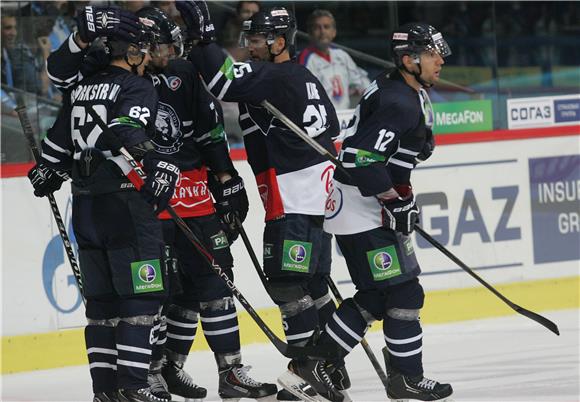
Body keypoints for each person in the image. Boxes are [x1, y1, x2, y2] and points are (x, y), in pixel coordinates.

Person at [46, 5, 277, 401]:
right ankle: (150, 374)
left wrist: (227, 179)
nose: (170, 53)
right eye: (164, 46)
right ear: (141, 45)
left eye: (173, 45)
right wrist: (82, 36)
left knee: (209, 282)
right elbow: (63, 79)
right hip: (138, 193)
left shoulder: (183, 73)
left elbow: (209, 132)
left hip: (187, 191)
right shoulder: (106, 73)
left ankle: (227, 371)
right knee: (153, 291)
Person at [175, 2, 347, 401]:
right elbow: (333, 135)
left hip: (294, 200)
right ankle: (330, 366)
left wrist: (203, 37)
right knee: (314, 284)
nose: (250, 47)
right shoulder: (302, 76)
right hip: (317, 200)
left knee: (288, 284)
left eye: (256, 40)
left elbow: (221, 82)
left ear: (279, 42)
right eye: (248, 39)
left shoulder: (274, 75)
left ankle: (309, 370)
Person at [27, 9, 181, 402]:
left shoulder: (82, 86)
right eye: (143, 51)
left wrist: (47, 169)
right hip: (125, 203)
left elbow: (58, 143)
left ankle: (105, 393)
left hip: (85, 205)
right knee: (142, 297)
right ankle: (133, 386)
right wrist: (159, 165)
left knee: (101, 306)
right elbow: (125, 132)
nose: (147, 58)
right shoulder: (137, 87)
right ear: (130, 52)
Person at [320, 23, 454, 401]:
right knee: (405, 292)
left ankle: (316, 363)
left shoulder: (403, 87)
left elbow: (387, 150)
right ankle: (403, 376)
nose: (440, 60)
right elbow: (359, 159)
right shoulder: (399, 100)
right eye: (432, 54)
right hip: (361, 208)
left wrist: (399, 191)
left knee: (381, 296)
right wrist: (396, 199)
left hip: (362, 205)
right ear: (410, 59)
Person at [299, 10, 370, 111]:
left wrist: (358, 88)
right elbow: (304, 95)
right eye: (317, 28)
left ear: (334, 32)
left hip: (345, 117)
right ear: (310, 33)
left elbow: (361, 80)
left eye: (326, 27)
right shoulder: (305, 59)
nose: (322, 31)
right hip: (322, 120)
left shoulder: (342, 55)